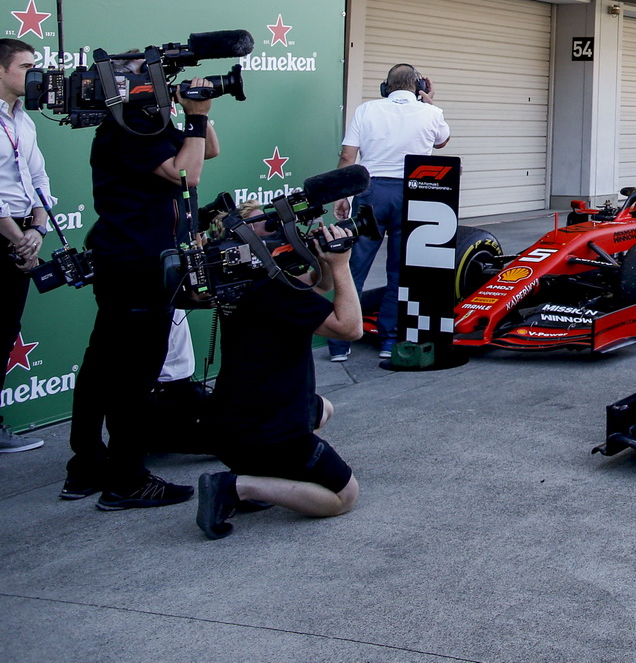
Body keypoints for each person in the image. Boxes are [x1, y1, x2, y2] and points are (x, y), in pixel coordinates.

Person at [65, 84, 220, 508]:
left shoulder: (147, 125)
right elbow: (187, 175)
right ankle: (127, 480)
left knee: (101, 365)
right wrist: (194, 115)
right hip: (136, 266)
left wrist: (198, 113)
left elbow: (208, 152)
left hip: (132, 262)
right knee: (132, 377)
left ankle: (88, 467)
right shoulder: (128, 129)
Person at [195, 226, 362, 540]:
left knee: (322, 408)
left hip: (226, 426)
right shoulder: (278, 293)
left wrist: (323, 260)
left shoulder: (244, 283)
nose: (284, 233)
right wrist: (341, 264)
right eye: (270, 228)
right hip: (269, 432)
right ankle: (237, 487)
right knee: (344, 496)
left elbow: (318, 286)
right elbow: (350, 327)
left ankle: (269, 475)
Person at [332, 64, 450, 361]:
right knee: (400, 272)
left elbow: (348, 156)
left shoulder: (366, 110)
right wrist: (430, 100)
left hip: (370, 194)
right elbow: (442, 140)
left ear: (385, 87)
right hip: (412, 194)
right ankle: (389, 341)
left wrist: (342, 194)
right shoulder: (432, 113)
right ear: (418, 85)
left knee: (353, 267)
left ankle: (339, 343)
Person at [0, 38, 53, 453]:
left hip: (20, 237)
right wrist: (18, 239)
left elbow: (38, 179)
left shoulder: (25, 120)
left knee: (5, 330)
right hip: (4, 236)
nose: (34, 75)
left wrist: (37, 229)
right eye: (25, 66)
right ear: (1, 70)